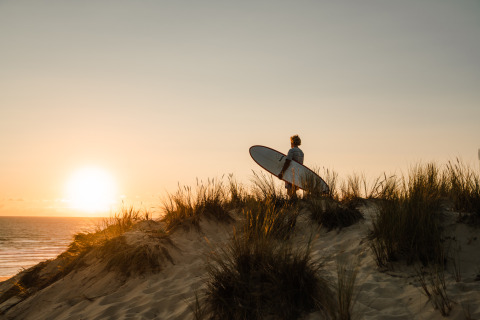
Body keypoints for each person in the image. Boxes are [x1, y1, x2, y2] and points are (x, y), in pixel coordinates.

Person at [278, 135, 304, 199]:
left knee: (290, 192)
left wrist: (282, 173)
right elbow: (300, 165)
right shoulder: (301, 152)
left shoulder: (291, 151)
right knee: (293, 191)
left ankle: (295, 204)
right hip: (297, 174)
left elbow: (287, 162)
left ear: (292, 142)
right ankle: (296, 203)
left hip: (290, 174)